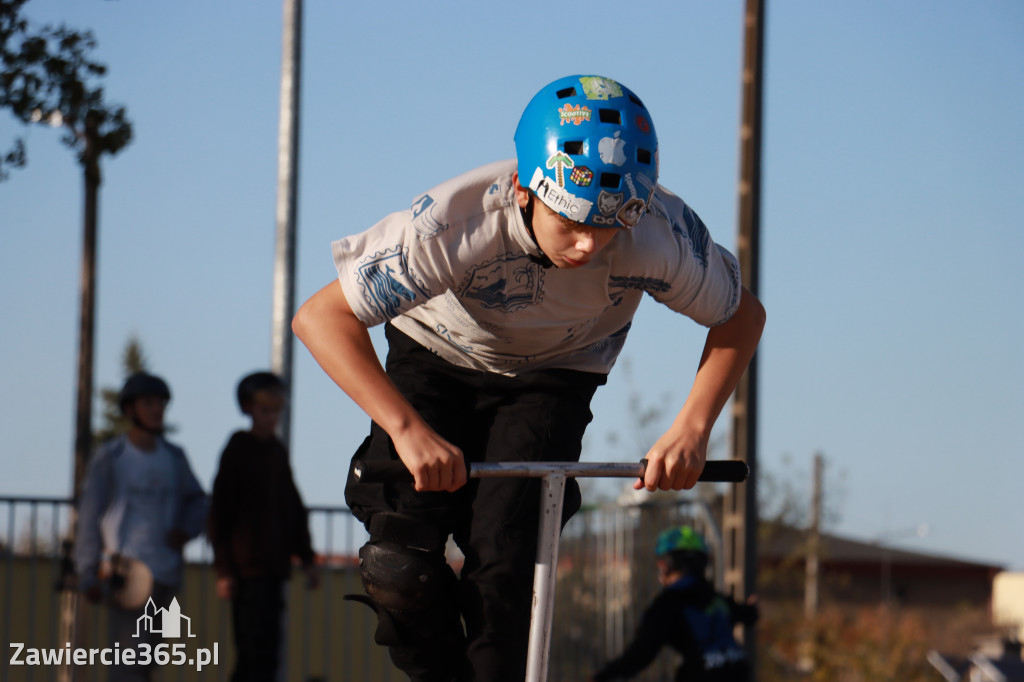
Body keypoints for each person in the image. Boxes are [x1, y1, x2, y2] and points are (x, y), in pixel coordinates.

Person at [291, 74, 766, 682]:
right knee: (398, 566)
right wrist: (406, 429)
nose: (588, 245)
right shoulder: (454, 223)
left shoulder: (659, 234)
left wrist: (692, 429)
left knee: (508, 568)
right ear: (525, 186)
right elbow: (321, 318)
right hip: (435, 355)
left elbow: (741, 315)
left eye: (607, 227)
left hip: (556, 376)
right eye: (570, 222)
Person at [74, 371, 208, 681]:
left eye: (161, 403)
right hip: (126, 575)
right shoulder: (111, 457)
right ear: (129, 409)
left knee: (148, 662)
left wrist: (187, 530)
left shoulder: (174, 457)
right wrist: (87, 571)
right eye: (148, 402)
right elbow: (90, 514)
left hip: (166, 571)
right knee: (127, 663)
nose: (157, 409)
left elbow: (198, 500)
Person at [207, 371, 319, 682]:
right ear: (248, 408)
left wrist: (308, 559)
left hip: (274, 569)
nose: (272, 417)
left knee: (268, 655)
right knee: (251, 655)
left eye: (277, 409)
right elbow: (220, 514)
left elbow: (293, 508)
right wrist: (224, 570)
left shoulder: (276, 452)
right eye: (265, 409)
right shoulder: (237, 450)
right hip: (245, 573)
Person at [589, 526, 758, 681]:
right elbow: (748, 615)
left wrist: (603, 676)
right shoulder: (716, 598)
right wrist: (751, 608)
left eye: (661, 562)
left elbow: (640, 655)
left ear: (668, 565)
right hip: (740, 672)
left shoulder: (668, 604)